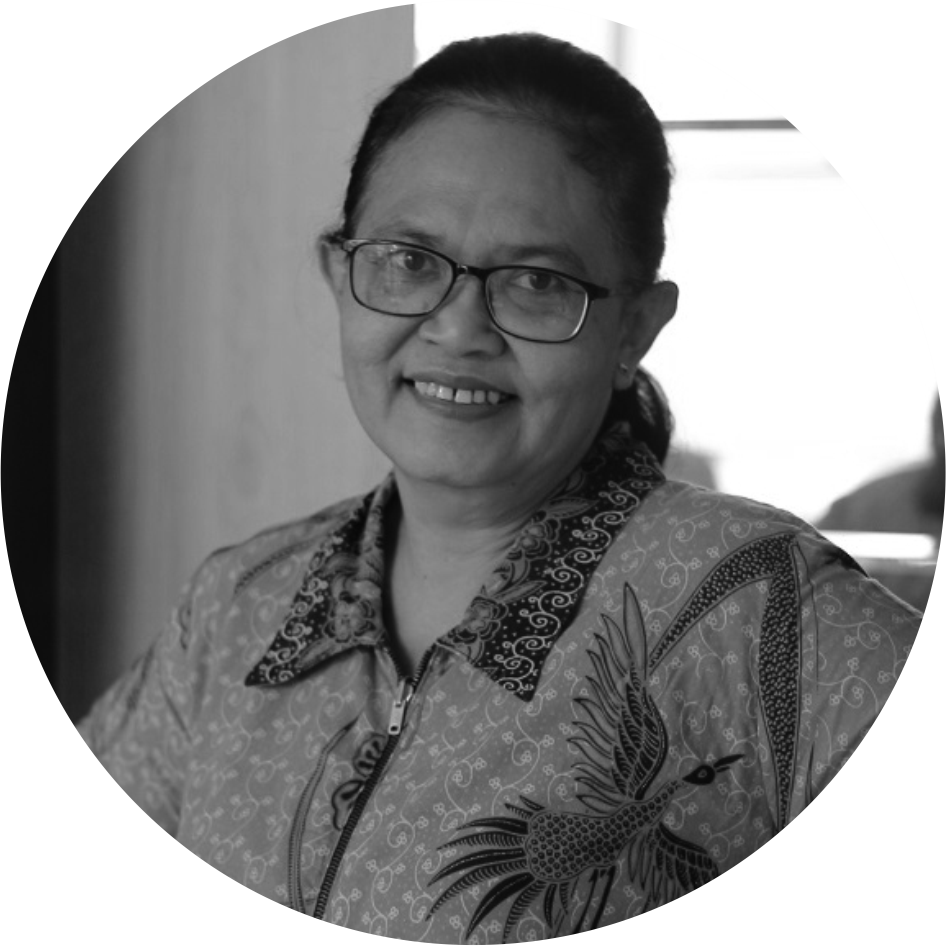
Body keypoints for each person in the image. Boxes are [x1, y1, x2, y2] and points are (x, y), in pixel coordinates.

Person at [77, 34, 921, 942]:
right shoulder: (237, 607)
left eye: (535, 282)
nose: (457, 329)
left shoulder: (755, 602)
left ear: (635, 329)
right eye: (408, 260)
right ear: (340, 276)